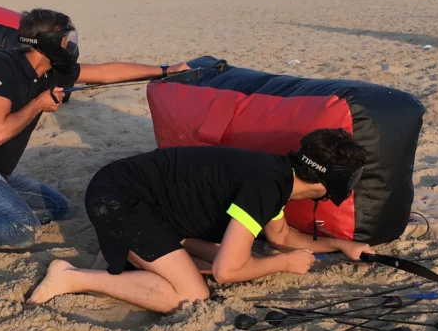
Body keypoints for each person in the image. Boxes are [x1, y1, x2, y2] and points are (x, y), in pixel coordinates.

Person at [0, 8, 191, 274]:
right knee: (23, 226)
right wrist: (38, 104)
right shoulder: (0, 66)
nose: (69, 44)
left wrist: (166, 71)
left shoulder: (52, 71)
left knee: (60, 209)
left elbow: (104, 72)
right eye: (64, 39)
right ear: (45, 43)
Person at [28, 129, 375, 313]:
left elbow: (282, 235)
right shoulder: (268, 186)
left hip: (129, 194)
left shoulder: (277, 175)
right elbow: (229, 271)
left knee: (209, 258)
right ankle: (71, 278)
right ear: (326, 187)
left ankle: (132, 258)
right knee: (191, 296)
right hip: (120, 201)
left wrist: (342, 245)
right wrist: (282, 264)